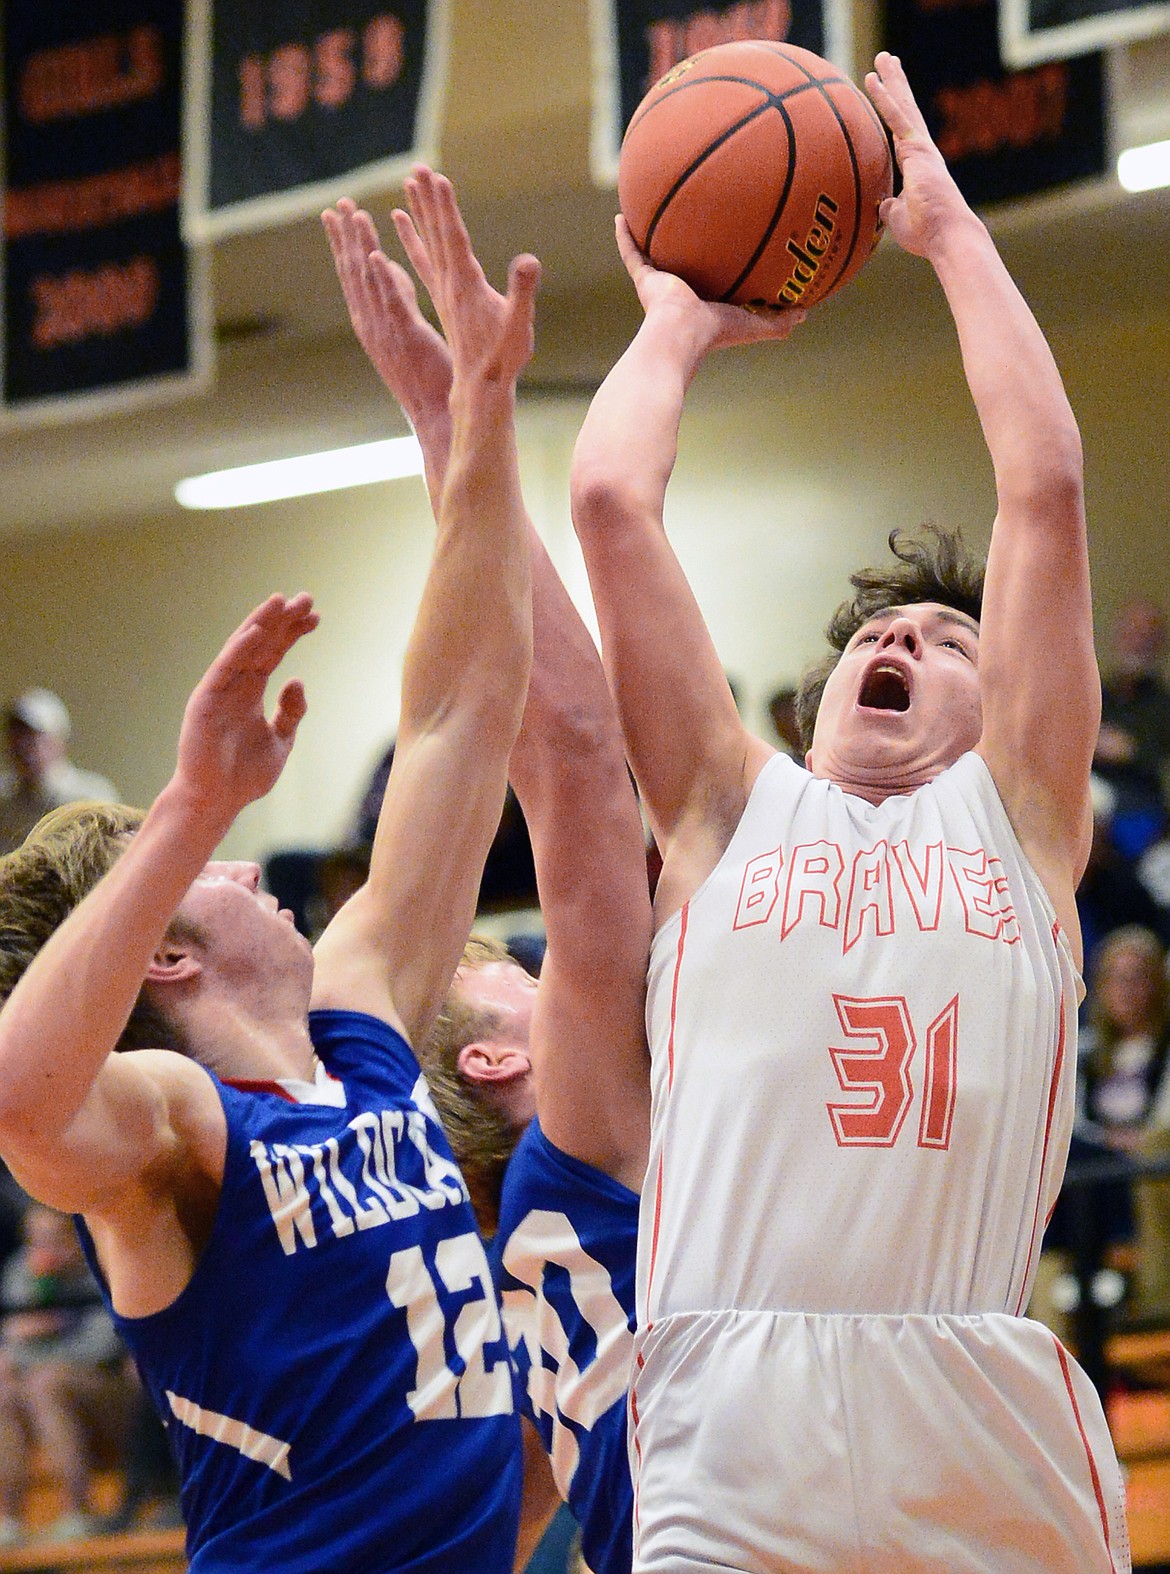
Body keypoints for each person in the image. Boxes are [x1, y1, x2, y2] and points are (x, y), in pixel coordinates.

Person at [569, 50, 1128, 1574]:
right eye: (876, 639)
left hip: (972, 1406)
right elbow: (613, 501)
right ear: (814, 699)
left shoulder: (1019, 826)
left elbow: (1045, 487)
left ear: (997, 699)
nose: (896, 646)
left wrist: (950, 233)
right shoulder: (718, 812)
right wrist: (676, 325)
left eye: (947, 644)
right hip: (730, 1413)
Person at [0, 167, 538, 1574]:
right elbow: (17, 1096)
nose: (250, 860)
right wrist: (183, 802)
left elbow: (461, 712)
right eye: (209, 872)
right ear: (161, 955)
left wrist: (476, 418)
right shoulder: (179, 1123)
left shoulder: (360, 1026)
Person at [325, 194, 651, 1574]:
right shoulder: (592, 1150)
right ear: (503, 1055)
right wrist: (461, 412)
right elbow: (574, 759)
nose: (531, 948)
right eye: (506, 962)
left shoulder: (513, 1305)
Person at [0, 1203, 136, 1546]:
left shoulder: (102, 1266)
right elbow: (11, 1346)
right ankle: (9, 1519)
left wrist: (46, 1334)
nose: (44, 1249)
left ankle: (79, 1510)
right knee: (5, 1390)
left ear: (76, 1237)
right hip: (45, 1390)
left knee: (46, 1382)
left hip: (113, 1391)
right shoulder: (23, 1272)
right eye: (35, 1239)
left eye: (53, 1238)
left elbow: (104, 1347)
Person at [1095, 594, 1170, 859]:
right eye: (1130, 632)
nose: (1136, 641)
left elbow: (1154, 757)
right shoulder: (1095, 694)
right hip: (1088, 807)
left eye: (1145, 635)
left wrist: (1128, 751)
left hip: (1138, 813)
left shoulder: (1162, 705)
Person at [0, 690, 118, 856]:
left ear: (59, 741)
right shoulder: (4, 799)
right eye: (16, 734)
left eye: (33, 736)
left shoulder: (91, 797)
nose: (22, 744)